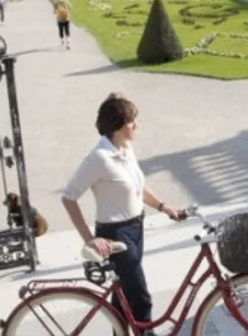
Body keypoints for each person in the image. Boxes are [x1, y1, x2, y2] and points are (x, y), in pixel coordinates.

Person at [61, 94, 184, 336]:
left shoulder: (125, 148)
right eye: (131, 122)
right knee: (140, 299)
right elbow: (68, 196)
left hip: (135, 229)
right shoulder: (99, 158)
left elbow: (138, 188)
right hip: (115, 235)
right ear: (117, 126)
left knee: (123, 300)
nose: (136, 126)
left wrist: (164, 207)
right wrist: (89, 239)